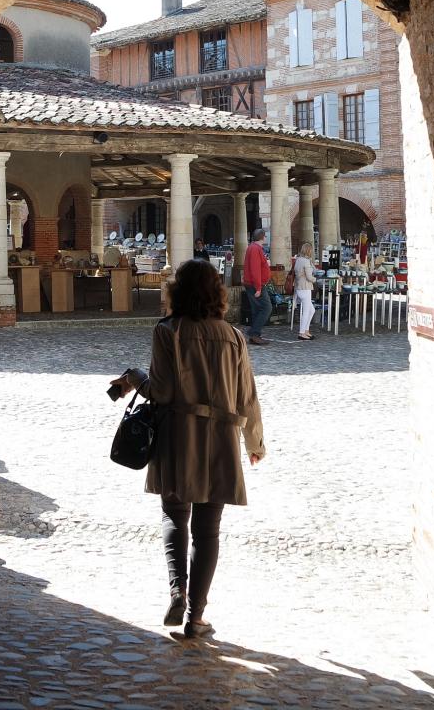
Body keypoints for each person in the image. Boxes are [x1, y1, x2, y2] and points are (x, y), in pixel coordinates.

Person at [110, 259, 265, 639]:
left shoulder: (168, 331)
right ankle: (197, 617)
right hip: (222, 440)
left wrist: (135, 377)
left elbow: (160, 391)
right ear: (217, 293)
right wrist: (254, 443)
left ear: (176, 292)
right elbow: (247, 396)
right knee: (208, 529)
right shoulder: (234, 336)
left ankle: (177, 591)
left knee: (174, 517)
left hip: (179, 435)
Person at [242, 227, 272, 345]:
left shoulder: (253, 248)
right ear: (262, 237)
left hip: (253, 284)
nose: (265, 238)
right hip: (255, 285)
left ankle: (255, 336)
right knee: (266, 307)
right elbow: (255, 270)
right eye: (265, 236)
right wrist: (258, 287)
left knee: (257, 309)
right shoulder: (255, 249)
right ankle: (254, 332)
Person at [294, 241, 316, 340]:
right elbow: (309, 277)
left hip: (299, 287)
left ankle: (306, 330)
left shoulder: (298, 259)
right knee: (307, 311)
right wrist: (316, 279)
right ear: (309, 251)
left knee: (312, 310)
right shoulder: (306, 261)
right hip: (305, 287)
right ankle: (302, 332)